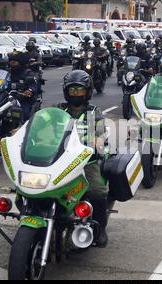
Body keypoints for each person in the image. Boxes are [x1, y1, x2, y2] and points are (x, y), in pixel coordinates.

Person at [56, 70, 109, 247]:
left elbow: (101, 128)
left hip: (86, 161)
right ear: (66, 92)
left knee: (98, 192)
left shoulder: (94, 111)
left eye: (79, 90)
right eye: (72, 90)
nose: (76, 93)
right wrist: (24, 129)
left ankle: (100, 229)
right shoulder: (59, 109)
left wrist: (99, 138)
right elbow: (44, 121)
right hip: (59, 160)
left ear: (87, 91)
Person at [8, 51, 39, 121]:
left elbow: (34, 85)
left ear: (20, 61)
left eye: (14, 60)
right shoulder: (8, 72)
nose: (12, 62)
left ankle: (23, 127)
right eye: (11, 60)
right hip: (7, 99)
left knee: (24, 114)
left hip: (23, 99)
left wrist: (30, 90)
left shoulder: (27, 72)